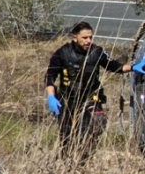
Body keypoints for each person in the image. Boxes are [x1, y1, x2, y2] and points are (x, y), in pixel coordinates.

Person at [45, 22, 138, 158]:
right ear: (74, 37)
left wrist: (135, 67)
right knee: (67, 135)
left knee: (94, 129)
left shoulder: (97, 52)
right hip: (68, 100)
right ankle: (67, 161)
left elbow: (113, 66)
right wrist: (51, 97)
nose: (88, 41)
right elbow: (50, 77)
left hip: (91, 99)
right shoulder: (62, 54)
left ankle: (84, 159)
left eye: (90, 37)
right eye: (84, 38)